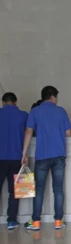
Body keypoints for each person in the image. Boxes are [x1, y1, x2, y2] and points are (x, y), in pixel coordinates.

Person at [21, 86, 71, 231]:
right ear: (52, 97)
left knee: (39, 190)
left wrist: (24, 153)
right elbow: (68, 133)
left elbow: (28, 132)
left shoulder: (35, 111)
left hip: (42, 156)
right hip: (59, 156)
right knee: (58, 189)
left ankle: (36, 221)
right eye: (56, 97)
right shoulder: (61, 111)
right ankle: (58, 221)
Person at [0, 92, 28, 230]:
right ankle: (11, 220)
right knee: (14, 191)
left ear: (3, 102)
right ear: (16, 102)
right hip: (17, 158)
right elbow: (30, 132)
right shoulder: (23, 115)